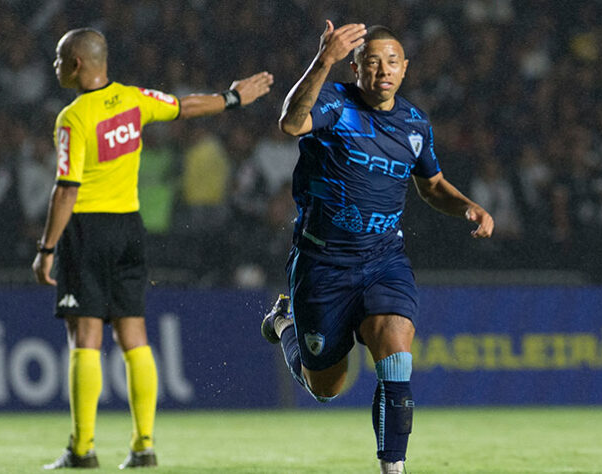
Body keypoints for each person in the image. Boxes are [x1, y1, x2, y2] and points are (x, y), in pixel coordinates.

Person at [32, 28, 272, 470]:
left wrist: (47, 248)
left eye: (59, 58)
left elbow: (66, 190)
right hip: (129, 228)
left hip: (86, 230)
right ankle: (143, 445)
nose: (54, 66)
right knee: (134, 336)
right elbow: (185, 107)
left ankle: (82, 450)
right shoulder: (133, 99)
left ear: (77, 65)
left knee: (85, 337)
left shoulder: (73, 118)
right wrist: (233, 98)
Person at [260, 22, 493, 474]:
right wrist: (323, 61)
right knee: (326, 387)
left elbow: (432, 186)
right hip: (322, 264)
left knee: (396, 356)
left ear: (404, 69)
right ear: (356, 67)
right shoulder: (334, 102)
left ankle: (393, 469)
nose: (382, 69)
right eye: (372, 61)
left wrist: (468, 206)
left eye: (391, 61)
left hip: (384, 260)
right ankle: (286, 322)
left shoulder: (414, 123)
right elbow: (290, 123)